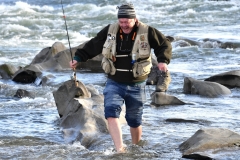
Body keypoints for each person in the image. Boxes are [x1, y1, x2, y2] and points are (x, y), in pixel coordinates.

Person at [69, 3, 172, 153]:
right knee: (111, 112)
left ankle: (136, 147)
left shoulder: (148, 31)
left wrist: (162, 61)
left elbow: (164, 44)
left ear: (135, 19)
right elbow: (94, 44)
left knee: (134, 120)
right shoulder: (111, 30)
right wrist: (78, 57)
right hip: (114, 82)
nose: (124, 25)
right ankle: (120, 149)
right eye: (121, 22)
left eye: (127, 22)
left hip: (138, 84)